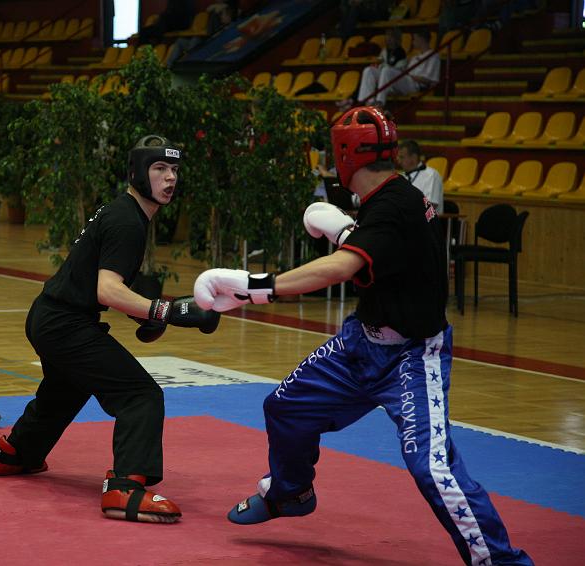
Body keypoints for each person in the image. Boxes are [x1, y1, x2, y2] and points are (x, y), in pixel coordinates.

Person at [192, 106, 533, 565]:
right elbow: (381, 248)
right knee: (285, 408)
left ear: (345, 155)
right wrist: (343, 228)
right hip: (360, 345)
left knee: (433, 470)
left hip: (412, 357)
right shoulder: (392, 197)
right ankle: (291, 493)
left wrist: (257, 287)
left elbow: (342, 266)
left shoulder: (394, 205)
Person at [0, 135, 220, 524]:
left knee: (65, 390)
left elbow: (105, 279)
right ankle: (125, 489)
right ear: (137, 173)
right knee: (140, 395)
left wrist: (149, 314)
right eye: (160, 169)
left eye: (174, 170)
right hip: (65, 324)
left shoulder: (124, 213)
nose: (170, 178)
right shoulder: (128, 221)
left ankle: (13, 454)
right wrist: (166, 311)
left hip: (50, 316)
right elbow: (106, 290)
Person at [356, 28, 440, 108]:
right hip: (405, 79)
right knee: (369, 70)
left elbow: (431, 80)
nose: (412, 41)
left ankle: (379, 104)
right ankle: (368, 103)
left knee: (387, 70)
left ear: (421, 39)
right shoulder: (415, 57)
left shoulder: (433, 56)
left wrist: (409, 75)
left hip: (414, 85)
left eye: (414, 39)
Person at [338, 28, 406, 112]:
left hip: (393, 82)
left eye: (391, 36)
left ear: (396, 38)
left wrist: (383, 66)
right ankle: (366, 102)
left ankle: (378, 104)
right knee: (368, 70)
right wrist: (377, 66)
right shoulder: (384, 51)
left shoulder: (401, 53)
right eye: (387, 36)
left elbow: (398, 70)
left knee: (385, 70)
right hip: (381, 79)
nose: (388, 39)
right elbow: (379, 63)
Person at [398, 139, 443, 210]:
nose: (399, 161)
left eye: (402, 157)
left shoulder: (431, 175)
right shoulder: (401, 177)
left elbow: (430, 206)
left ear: (413, 157)